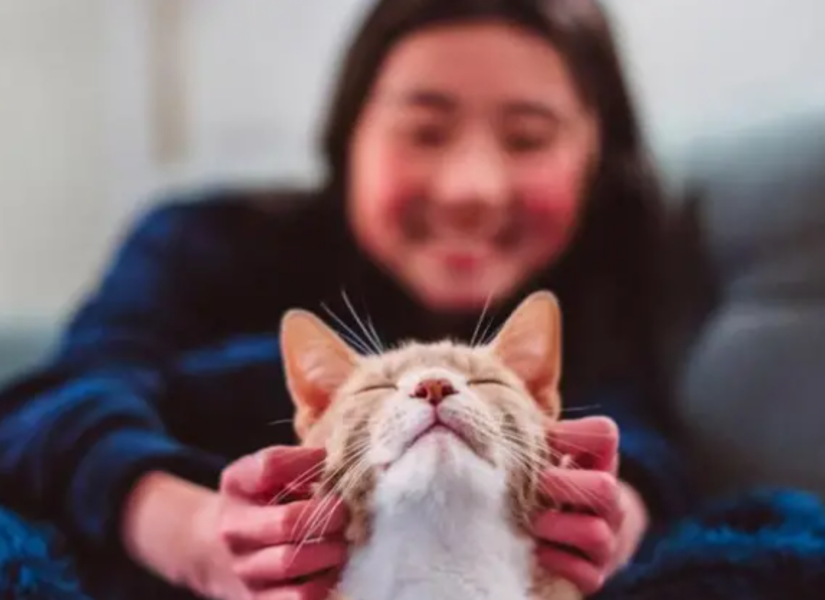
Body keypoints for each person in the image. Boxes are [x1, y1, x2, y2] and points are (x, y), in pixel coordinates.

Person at [0, 0, 692, 599]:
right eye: (424, 130)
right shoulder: (204, 239)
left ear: (596, 158)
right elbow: (59, 397)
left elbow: (638, 438)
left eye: (527, 139)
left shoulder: (601, 281)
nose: (471, 186)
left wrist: (616, 512)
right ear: (348, 133)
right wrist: (192, 534)